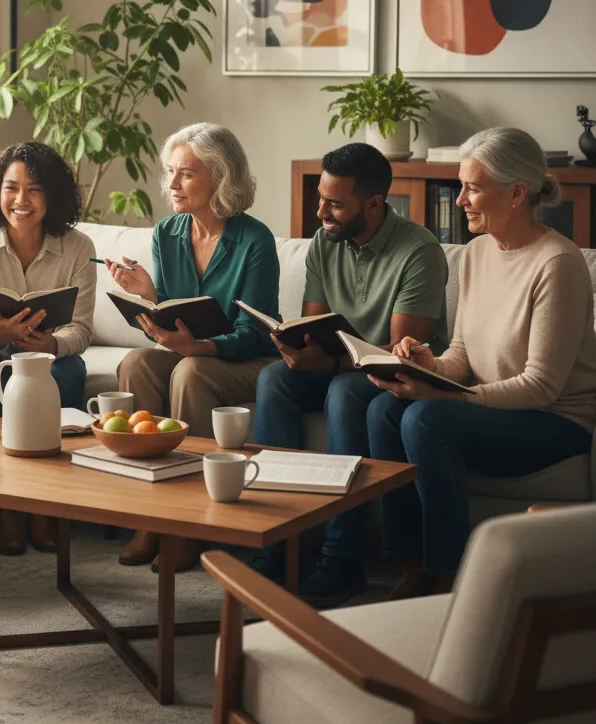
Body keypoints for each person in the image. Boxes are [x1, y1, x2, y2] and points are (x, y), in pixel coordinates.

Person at [368, 127, 596, 595]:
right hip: (496, 408)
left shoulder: (557, 264)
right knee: (384, 408)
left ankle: (449, 575)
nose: (459, 201)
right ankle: (409, 560)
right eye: (461, 186)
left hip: (556, 421)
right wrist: (429, 365)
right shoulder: (475, 253)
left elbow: (542, 386)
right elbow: (463, 352)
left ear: (516, 193)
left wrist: (450, 397)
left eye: (472, 188)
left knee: (428, 420)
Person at [253, 142, 448, 607]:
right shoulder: (325, 242)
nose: (321, 212)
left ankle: (343, 559)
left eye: (335, 204)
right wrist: (298, 347)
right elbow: (313, 323)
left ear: (374, 204)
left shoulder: (419, 250)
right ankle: (276, 542)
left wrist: (329, 363)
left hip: (390, 375)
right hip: (340, 362)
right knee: (274, 380)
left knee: (344, 390)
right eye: (321, 199)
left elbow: (398, 351)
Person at [110, 123, 280, 571]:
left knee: (190, 371)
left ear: (221, 178)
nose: (172, 184)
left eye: (186, 174)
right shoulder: (166, 233)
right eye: (170, 172)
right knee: (136, 363)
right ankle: (150, 515)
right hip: (190, 352)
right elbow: (173, 313)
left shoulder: (255, 240)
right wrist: (149, 296)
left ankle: (191, 523)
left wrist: (198, 347)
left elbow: (254, 333)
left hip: (246, 360)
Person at [0, 141, 96, 555]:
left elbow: (81, 329)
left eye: (34, 189)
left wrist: (52, 344)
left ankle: (47, 503)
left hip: (41, 352)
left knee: (67, 371)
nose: (20, 200)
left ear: (53, 195)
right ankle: (1, 507)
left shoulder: (79, 248)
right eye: (11, 188)